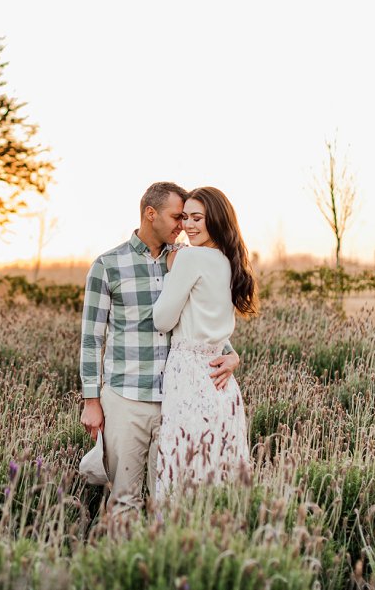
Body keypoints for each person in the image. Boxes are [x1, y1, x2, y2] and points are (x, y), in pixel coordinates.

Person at [79, 182, 241, 515]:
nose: (183, 225)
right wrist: (91, 401)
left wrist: (231, 352)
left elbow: (200, 318)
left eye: (188, 217)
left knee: (167, 499)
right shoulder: (108, 265)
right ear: (150, 214)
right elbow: (92, 337)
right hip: (127, 398)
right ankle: (119, 564)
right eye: (176, 216)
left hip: (175, 400)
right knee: (125, 499)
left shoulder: (184, 259)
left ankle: (159, 564)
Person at [152, 186, 258, 500]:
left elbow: (162, 320)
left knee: (183, 465)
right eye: (184, 218)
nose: (189, 226)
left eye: (198, 218)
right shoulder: (228, 260)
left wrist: (171, 272)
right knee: (218, 469)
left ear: (216, 220)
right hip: (222, 381)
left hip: (189, 374)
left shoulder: (189, 258)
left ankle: (180, 535)